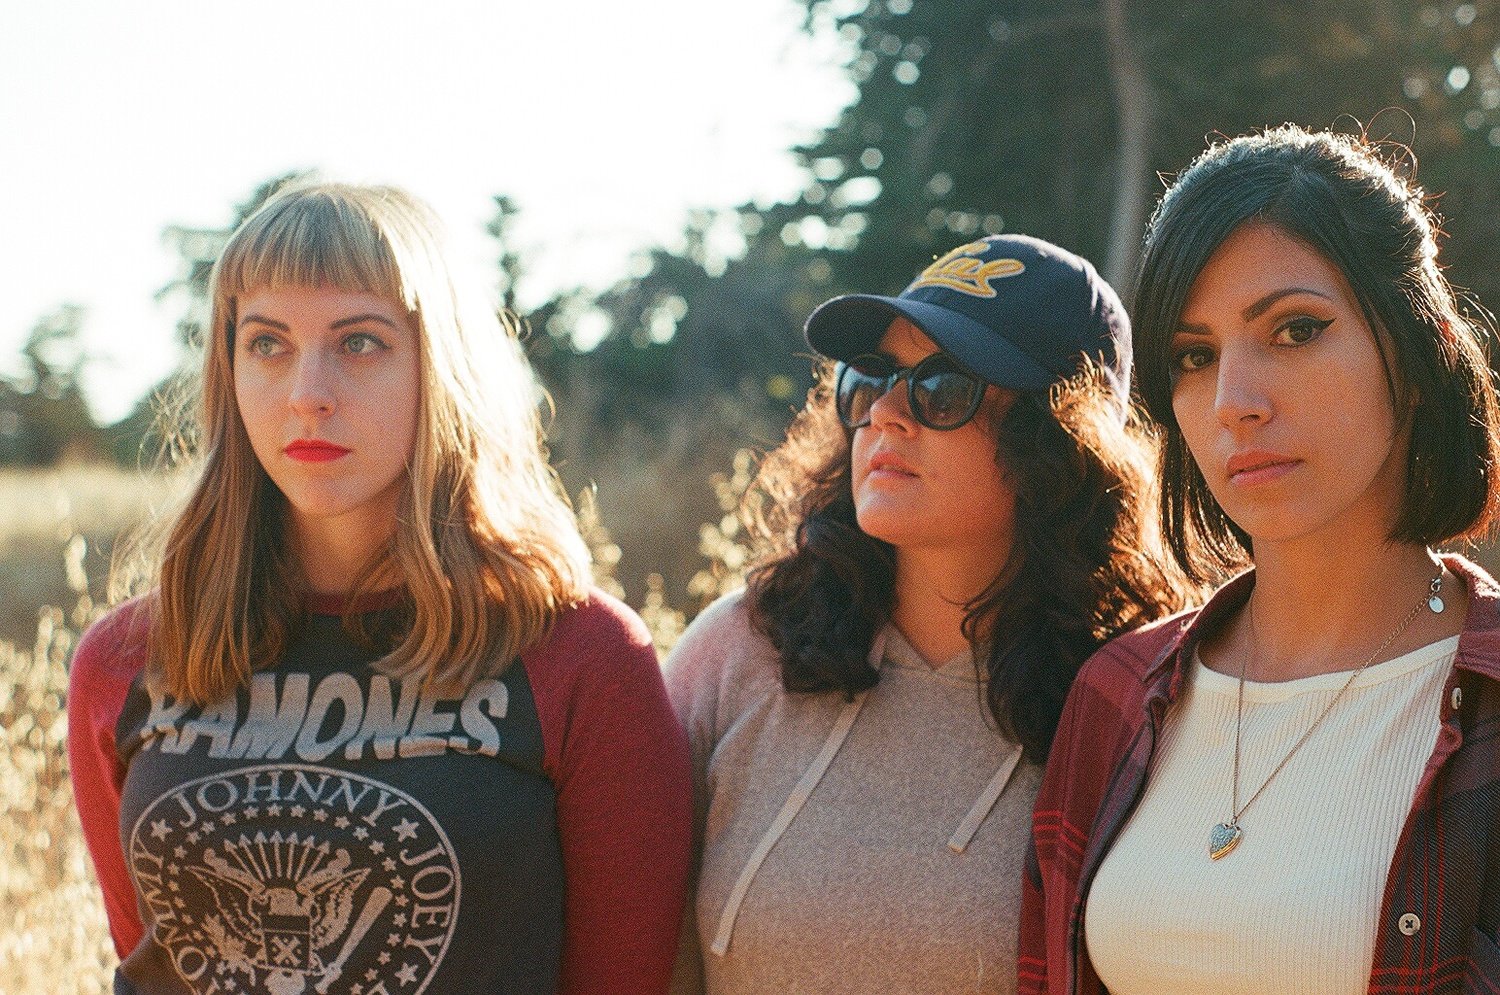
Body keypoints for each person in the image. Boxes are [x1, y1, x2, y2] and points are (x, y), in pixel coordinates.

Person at [67, 182, 692, 995]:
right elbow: (155, 957)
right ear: (229, 370)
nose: (308, 392)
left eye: (359, 342)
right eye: (267, 343)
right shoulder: (127, 658)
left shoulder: (581, 658)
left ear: (440, 367)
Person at [1020, 124, 1500, 995]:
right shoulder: (1115, 695)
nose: (1233, 401)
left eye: (1294, 330)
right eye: (1194, 356)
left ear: (1417, 352)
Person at [664, 234, 1197, 994]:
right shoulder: (739, 649)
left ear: (1057, 440)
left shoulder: (1133, 705)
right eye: (870, 379)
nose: (884, 413)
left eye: (941, 388)